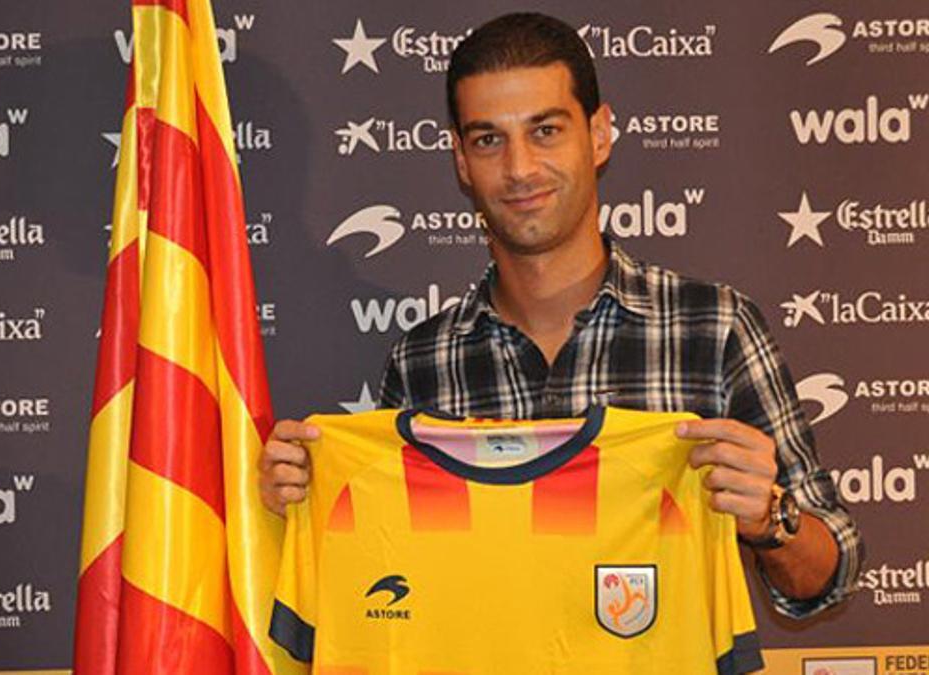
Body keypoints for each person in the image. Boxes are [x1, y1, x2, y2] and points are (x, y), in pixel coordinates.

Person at [260, 12, 860, 618]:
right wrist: (299, 510)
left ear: (599, 135)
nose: (519, 168)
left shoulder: (713, 329)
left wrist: (769, 520)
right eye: (489, 139)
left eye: (545, 130)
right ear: (461, 161)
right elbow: (387, 584)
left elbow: (829, 572)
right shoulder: (423, 361)